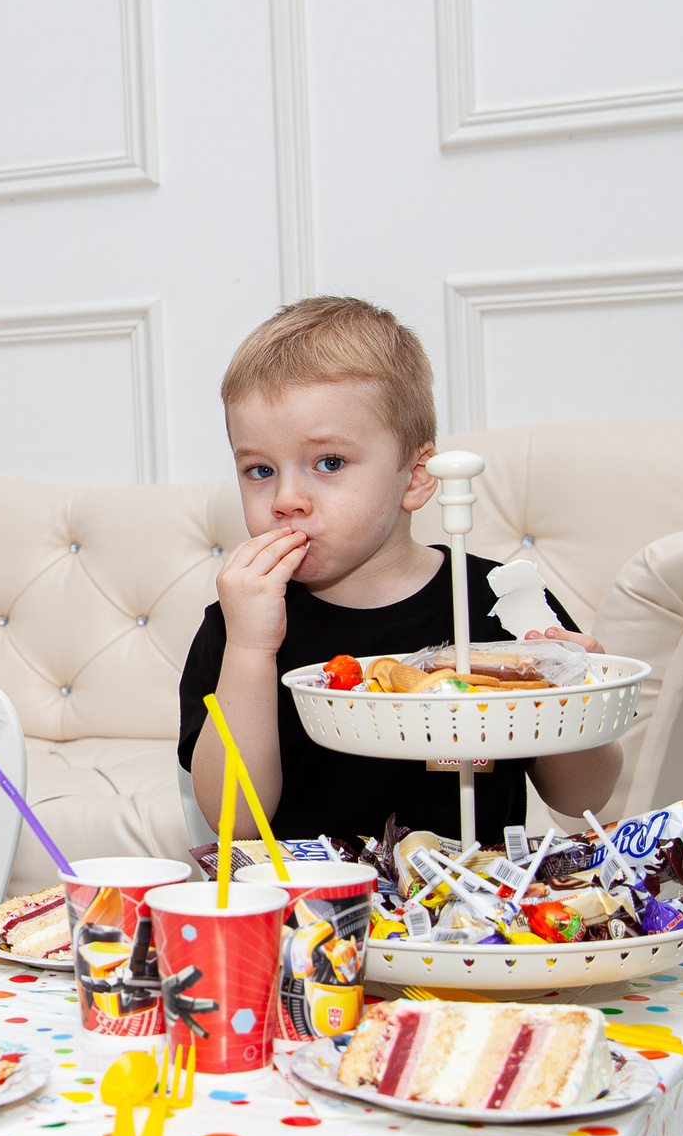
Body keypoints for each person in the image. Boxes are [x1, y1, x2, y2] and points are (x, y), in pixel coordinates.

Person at [178, 298, 621, 844]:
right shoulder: (238, 625)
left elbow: (581, 800)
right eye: (260, 470)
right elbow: (234, 824)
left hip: (473, 915)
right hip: (310, 920)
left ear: (414, 476)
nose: (287, 499)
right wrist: (249, 651)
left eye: (330, 463)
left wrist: (573, 694)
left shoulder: (496, 603)